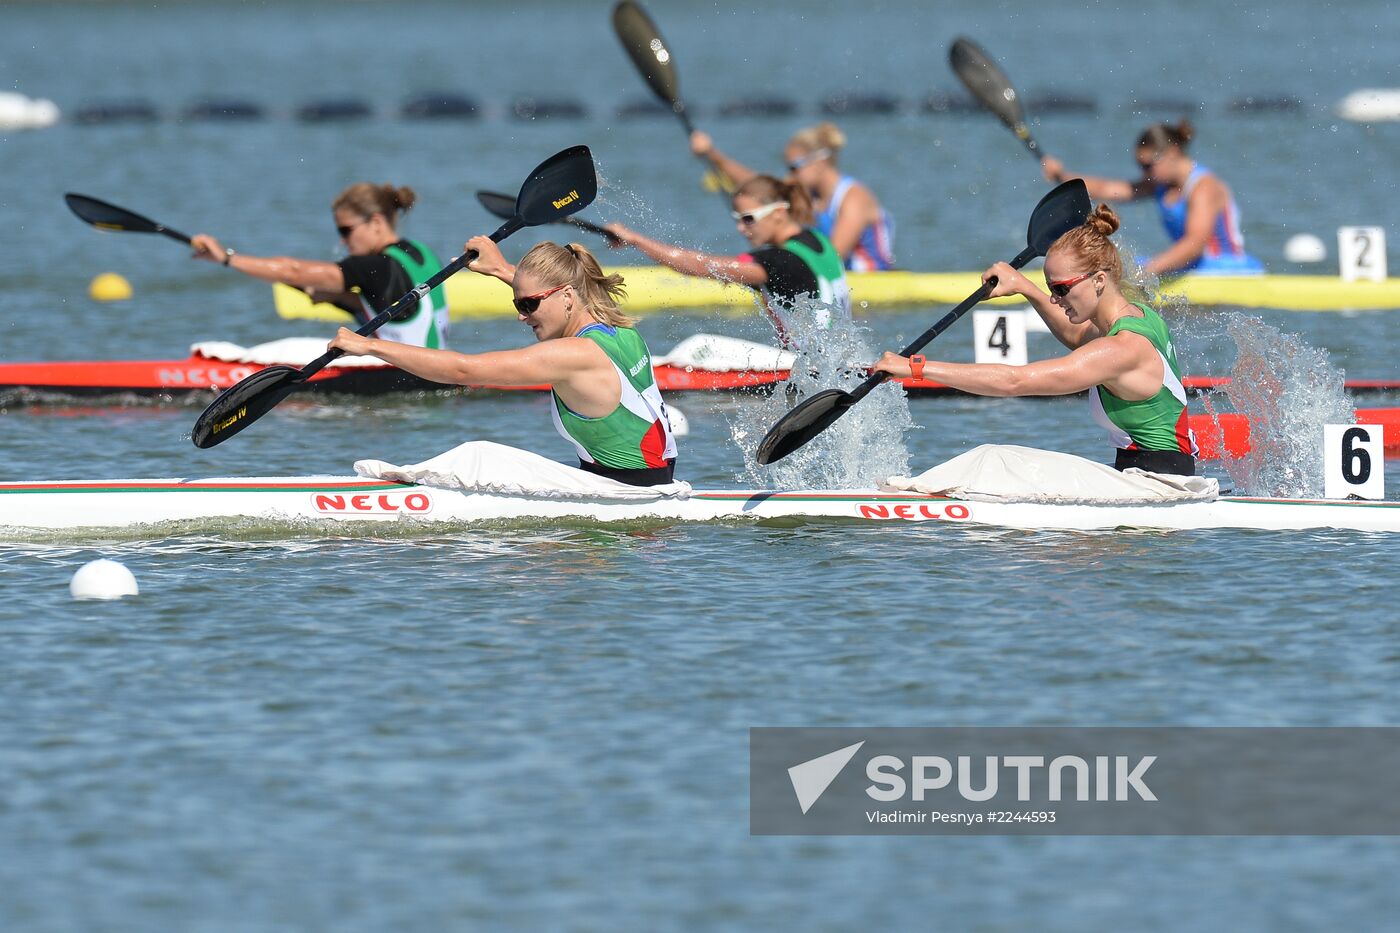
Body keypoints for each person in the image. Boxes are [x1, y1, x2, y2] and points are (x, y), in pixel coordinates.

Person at [873, 204, 1199, 475]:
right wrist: (1024, 287)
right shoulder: (1140, 316)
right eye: (1050, 287)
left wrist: (916, 368)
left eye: (1061, 288)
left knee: (993, 461)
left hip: (1160, 486)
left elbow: (1014, 382)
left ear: (1099, 280)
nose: (1055, 298)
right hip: (1155, 475)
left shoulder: (1119, 349)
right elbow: (1076, 336)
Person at [327, 239, 678, 486]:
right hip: (649, 480)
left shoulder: (573, 355)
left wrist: (372, 347)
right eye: (518, 304)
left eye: (528, 305)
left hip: (623, 494)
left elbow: (465, 370)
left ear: (568, 297)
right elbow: (554, 295)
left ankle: (397, 490)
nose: (522, 317)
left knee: (478, 455)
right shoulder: (618, 329)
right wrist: (501, 269)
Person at [190, 182, 451, 348]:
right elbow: (401, 312)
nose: (342, 239)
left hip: (407, 378)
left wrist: (226, 258)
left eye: (346, 230)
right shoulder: (423, 252)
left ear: (377, 222)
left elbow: (293, 270)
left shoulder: (374, 265)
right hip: (436, 369)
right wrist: (338, 298)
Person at [604, 175, 851, 348]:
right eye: (738, 219)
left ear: (778, 213)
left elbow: (701, 266)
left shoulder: (777, 261)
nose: (741, 228)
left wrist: (635, 239)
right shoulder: (819, 239)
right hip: (839, 357)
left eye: (748, 219)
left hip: (813, 368)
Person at [1039, 120, 1262, 276]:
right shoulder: (1161, 184)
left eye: (1147, 166)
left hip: (1224, 269)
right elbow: (1108, 188)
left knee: (1131, 272)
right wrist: (1062, 176)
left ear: (1172, 154)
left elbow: (1194, 246)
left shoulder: (1204, 187)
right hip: (1191, 268)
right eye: (1139, 166)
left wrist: (1147, 272)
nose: (1143, 173)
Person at [690, 122, 895, 271]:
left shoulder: (854, 198)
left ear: (819, 162)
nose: (790, 175)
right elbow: (758, 188)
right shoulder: (808, 194)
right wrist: (713, 155)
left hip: (872, 282)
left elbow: (832, 257)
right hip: (840, 280)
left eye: (794, 167)